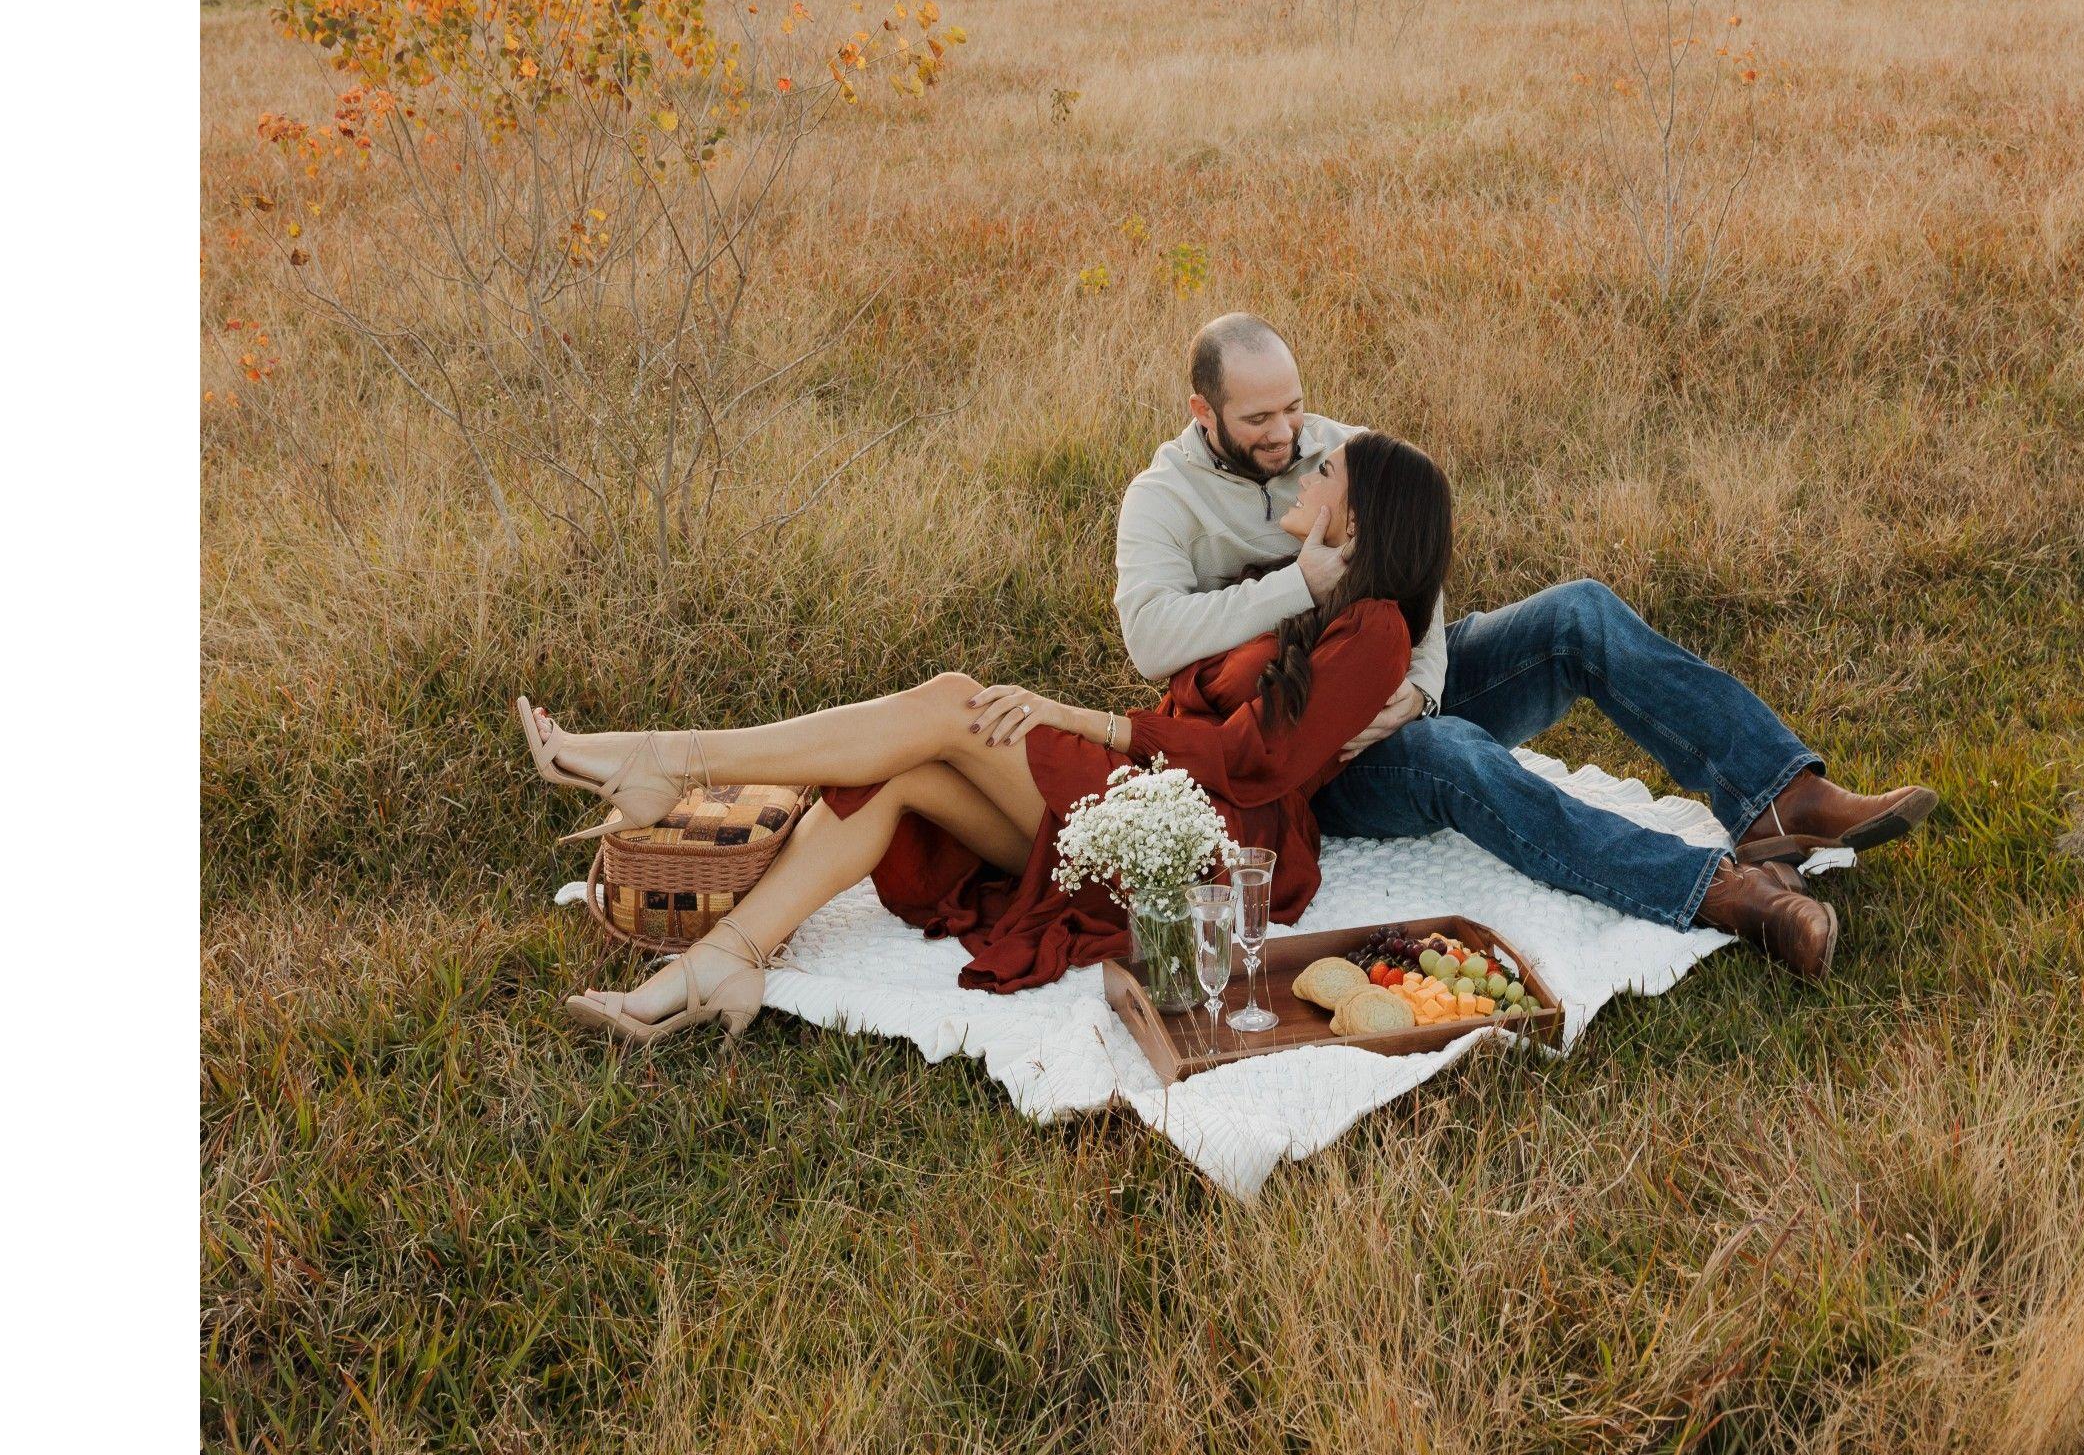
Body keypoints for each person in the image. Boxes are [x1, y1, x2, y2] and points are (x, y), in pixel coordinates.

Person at [1028, 314, 1938, 980]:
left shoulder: (1337, 448)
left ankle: (1781, 797)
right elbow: (1149, 638)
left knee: (1578, 612)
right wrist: (1295, 586)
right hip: (1313, 746)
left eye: (1294, 409)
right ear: (1203, 410)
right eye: (1258, 419)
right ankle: (1720, 893)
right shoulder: (1163, 500)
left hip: (1386, 682)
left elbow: (1412, 575)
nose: (1288, 436)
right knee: (1454, 755)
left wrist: (1419, 688)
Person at [516, 429, 1455, 1046]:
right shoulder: (1305, 587)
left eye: (1327, 471)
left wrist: (1076, 718)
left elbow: (1257, 761)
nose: (1307, 469)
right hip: (1157, 791)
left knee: (953, 705)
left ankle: (667, 762)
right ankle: (724, 961)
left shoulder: (1376, 630)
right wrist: (1295, 585)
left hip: (1209, 838)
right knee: (908, 769)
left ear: (1361, 513)